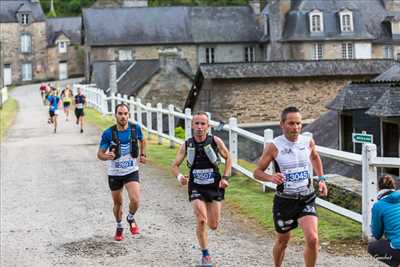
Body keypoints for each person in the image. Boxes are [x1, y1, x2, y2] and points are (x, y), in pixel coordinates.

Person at [253, 106, 328, 267]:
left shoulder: (307, 141)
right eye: (291, 123)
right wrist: (271, 177)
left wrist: (321, 178)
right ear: (282, 124)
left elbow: (315, 157)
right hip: (285, 201)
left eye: (298, 123)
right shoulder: (274, 146)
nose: (295, 127)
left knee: (313, 238)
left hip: (306, 197)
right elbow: (257, 172)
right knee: (283, 241)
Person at [171, 112, 232, 266]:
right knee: (201, 219)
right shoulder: (187, 144)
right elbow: (174, 165)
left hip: (214, 186)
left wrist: (225, 178)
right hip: (196, 186)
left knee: (213, 225)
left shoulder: (215, 141)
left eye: (202, 124)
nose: (199, 127)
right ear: (192, 125)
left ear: (208, 126)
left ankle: (206, 248)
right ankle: (206, 255)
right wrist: (180, 177)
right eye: (196, 123)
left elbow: (228, 158)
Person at [97, 103, 146, 241]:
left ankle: (130, 218)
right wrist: (108, 156)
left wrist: (143, 155)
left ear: (128, 114)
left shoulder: (135, 129)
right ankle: (119, 226)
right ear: (115, 115)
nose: (123, 116)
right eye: (120, 113)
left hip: (131, 170)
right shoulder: (108, 133)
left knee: (135, 200)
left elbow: (143, 140)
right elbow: (100, 154)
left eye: (125, 113)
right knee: (118, 204)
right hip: (115, 173)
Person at [368, 175, 400, 267]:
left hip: (398, 246)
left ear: (379, 188)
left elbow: (377, 234)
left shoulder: (379, 206)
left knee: (372, 247)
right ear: (394, 186)